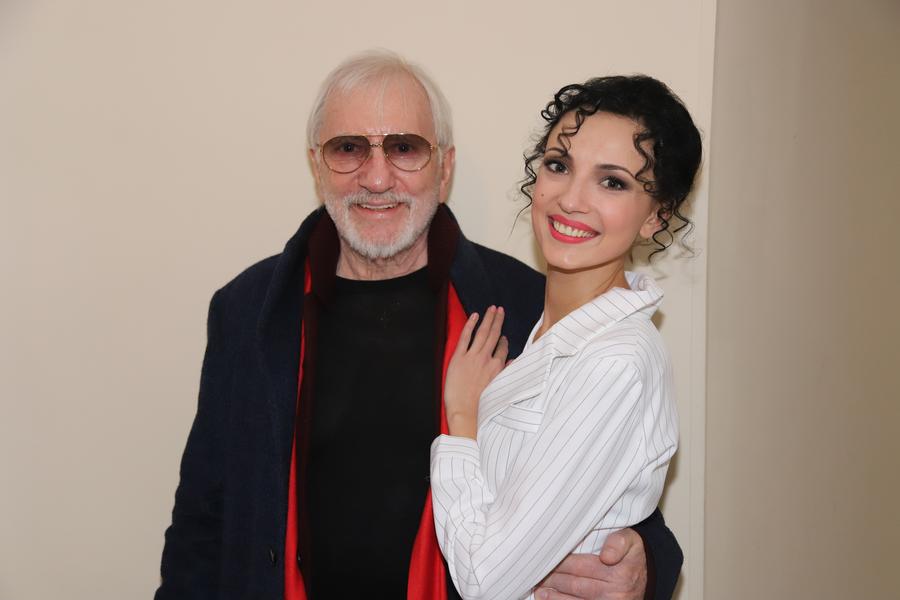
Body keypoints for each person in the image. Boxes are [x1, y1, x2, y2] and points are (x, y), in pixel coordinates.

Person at [156, 52, 683, 600]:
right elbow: (203, 515)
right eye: (348, 148)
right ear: (317, 165)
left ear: (444, 167)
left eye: (404, 148)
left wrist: (644, 563)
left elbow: (613, 488)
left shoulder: (528, 308)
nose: (376, 178)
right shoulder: (250, 310)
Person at [430, 75, 701, 600]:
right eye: (559, 165)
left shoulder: (616, 361)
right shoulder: (538, 324)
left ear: (657, 215)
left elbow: (485, 580)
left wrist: (462, 419)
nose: (571, 200)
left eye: (612, 182)